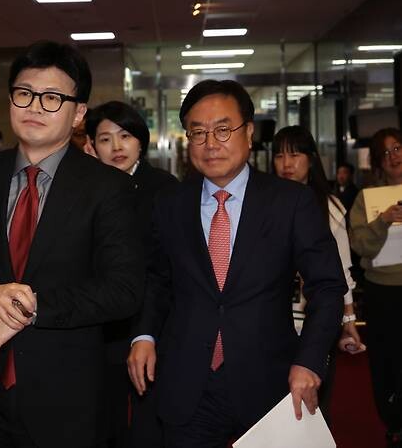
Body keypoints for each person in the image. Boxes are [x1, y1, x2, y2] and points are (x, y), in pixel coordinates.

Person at [0, 40, 143, 448]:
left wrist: (27, 308)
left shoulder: (108, 187)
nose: (35, 107)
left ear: (79, 113)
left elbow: (123, 289)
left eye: (52, 97)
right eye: (24, 93)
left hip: (64, 402)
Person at [127, 79, 345, 448]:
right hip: (188, 382)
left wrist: (309, 360)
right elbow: (159, 279)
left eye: (223, 129)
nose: (210, 143)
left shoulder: (291, 202)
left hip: (270, 379)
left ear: (248, 132)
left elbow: (327, 286)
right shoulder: (169, 204)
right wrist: (144, 335)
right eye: (198, 132)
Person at [85, 100, 177, 447]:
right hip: (98, 325)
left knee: (147, 424)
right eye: (105, 139)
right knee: (101, 422)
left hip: (151, 322)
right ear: (91, 146)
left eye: (125, 136)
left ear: (141, 140)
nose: (117, 147)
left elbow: (164, 267)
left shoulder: (165, 188)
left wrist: (146, 332)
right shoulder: (84, 188)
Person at [271, 125, 364, 424]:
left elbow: (342, 270)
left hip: (315, 320)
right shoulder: (263, 202)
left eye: (295, 155)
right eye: (279, 155)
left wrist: (348, 321)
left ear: (310, 159)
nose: (286, 163)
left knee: (311, 409)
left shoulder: (329, 206)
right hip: (271, 321)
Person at [349, 127, 402, 448]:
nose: (393, 156)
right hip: (382, 292)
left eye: (397, 148)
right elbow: (360, 246)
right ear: (378, 162)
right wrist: (383, 220)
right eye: (385, 152)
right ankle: (394, 422)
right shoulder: (367, 199)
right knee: (386, 361)